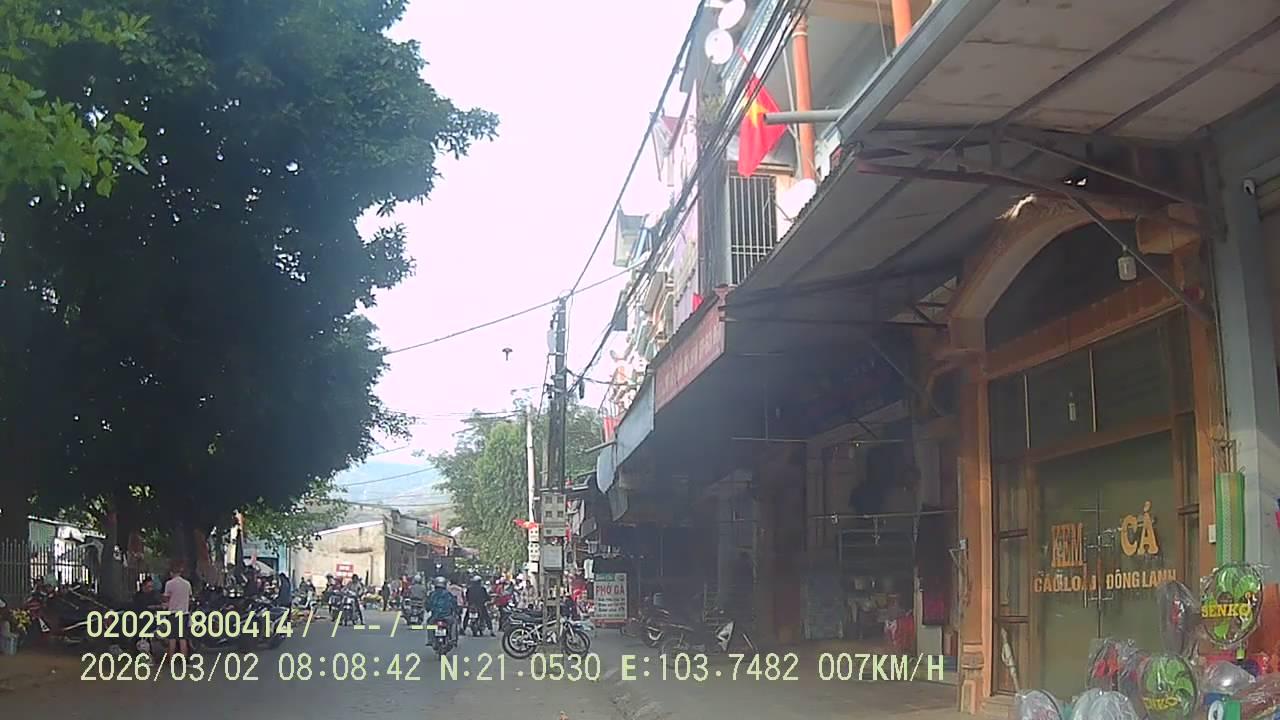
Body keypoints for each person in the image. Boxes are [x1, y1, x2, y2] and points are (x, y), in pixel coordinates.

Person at [162, 562, 192, 656]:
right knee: (183, 639)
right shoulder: (187, 584)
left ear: (171, 572)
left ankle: (171, 660)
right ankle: (184, 659)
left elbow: (166, 598)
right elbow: (190, 597)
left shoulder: (169, 584)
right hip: (184, 614)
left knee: (172, 639)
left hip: (173, 614)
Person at [425, 576, 459, 645]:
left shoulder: (432, 594)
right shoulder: (448, 594)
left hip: (435, 616)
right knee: (454, 623)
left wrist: (428, 609)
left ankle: (430, 640)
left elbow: (428, 604)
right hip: (447, 616)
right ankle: (453, 639)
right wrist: (456, 611)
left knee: (429, 623)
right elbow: (454, 604)